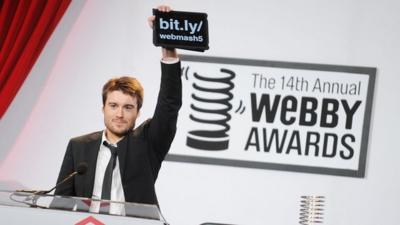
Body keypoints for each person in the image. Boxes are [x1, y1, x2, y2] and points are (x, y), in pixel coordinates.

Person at [54, 5, 181, 213]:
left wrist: (168, 48)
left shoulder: (148, 143)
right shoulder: (78, 147)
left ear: (138, 112)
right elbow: (60, 203)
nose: (119, 114)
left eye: (128, 107)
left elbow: (169, 103)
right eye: (113, 105)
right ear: (103, 108)